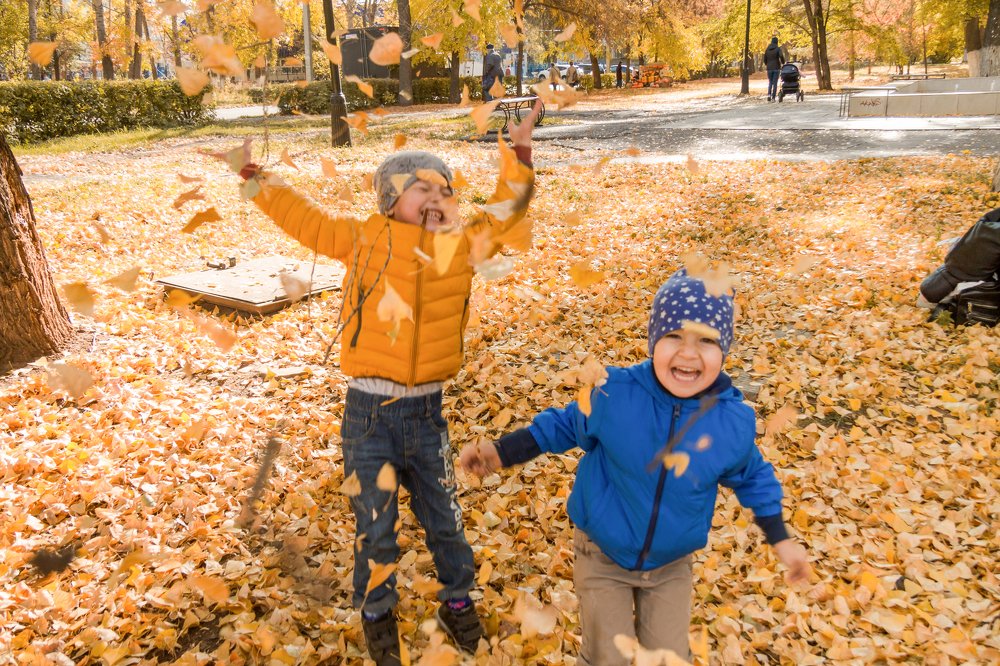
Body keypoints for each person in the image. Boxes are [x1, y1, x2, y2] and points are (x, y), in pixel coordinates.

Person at [240, 104, 544, 665]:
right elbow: (302, 218)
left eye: (443, 189)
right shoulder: (361, 239)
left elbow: (504, 213)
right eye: (418, 188)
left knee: (446, 521)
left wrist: (520, 155)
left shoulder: (460, 246)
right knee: (376, 531)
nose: (435, 197)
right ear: (388, 201)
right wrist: (258, 180)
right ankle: (377, 612)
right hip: (368, 418)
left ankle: (458, 600)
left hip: (428, 416)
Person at [460, 269, 810, 664]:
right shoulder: (615, 393)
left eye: (707, 341)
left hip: (671, 564)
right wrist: (502, 451)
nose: (689, 353)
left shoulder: (729, 422)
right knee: (609, 655)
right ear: (653, 340)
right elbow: (565, 424)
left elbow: (753, 477)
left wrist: (780, 538)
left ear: (724, 349)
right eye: (674, 336)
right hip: (603, 553)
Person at [764, 36, 785, 102]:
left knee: (770, 82)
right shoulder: (778, 49)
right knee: (775, 82)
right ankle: (773, 98)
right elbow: (781, 56)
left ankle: (769, 95)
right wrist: (783, 62)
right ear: (776, 42)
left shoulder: (767, 49)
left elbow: (765, 59)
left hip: (769, 68)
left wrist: (767, 64)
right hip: (776, 67)